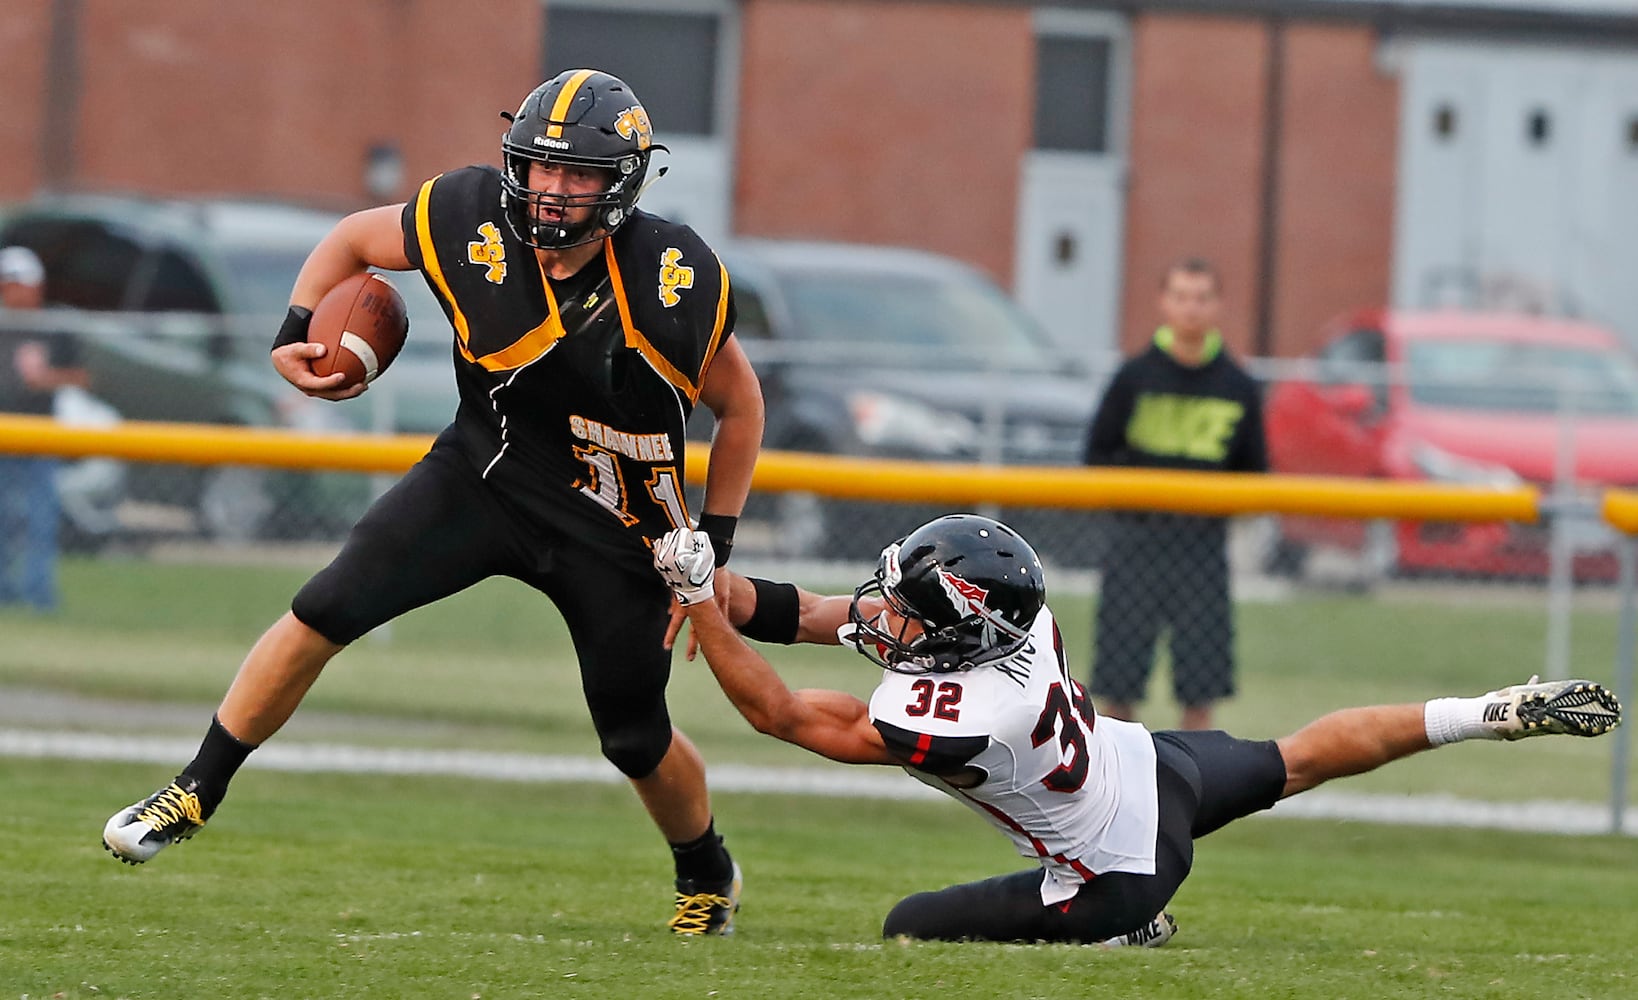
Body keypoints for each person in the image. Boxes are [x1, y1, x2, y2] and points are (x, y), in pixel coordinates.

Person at [102, 69, 766, 936]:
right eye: (540, 168)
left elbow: (741, 405)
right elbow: (351, 240)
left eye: (579, 175)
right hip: (485, 472)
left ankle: (706, 869)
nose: (553, 191)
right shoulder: (467, 216)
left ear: (624, 183)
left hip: (617, 518)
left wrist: (713, 541)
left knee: (633, 735)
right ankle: (194, 789)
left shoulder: (673, 278)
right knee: (325, 607)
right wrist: (295, 331)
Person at [652, 513, 1621, 945]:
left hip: (1113, 876)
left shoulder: (957, 713)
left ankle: (1133, 933)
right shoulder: (1013, 623)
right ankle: (1490, 711)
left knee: (909, 926)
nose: (884, 615)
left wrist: (699, 602)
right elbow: (814, 612)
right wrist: (704, 577)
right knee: (1306, 754)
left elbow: (778, 712)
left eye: (908, 608)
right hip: (1153, 768)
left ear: (956, 626)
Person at [1084, 257, 1267, 730]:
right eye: (1181, 297)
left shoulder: (1237, 385)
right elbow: (1097, 455)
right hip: (1135, 542)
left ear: (1218, 306)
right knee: (1119, 682)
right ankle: (1115, 780)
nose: (1191, 309)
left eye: (1202, 297)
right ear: (1163, 303)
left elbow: (1255, 472)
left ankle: (1196, 781)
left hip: (1201, 547)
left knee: (1200, 683)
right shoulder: (1134, 377)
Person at [0, 246, 89, 612]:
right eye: (7, 283)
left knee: (40, 522)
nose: (13, 290)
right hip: (4, 437)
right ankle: (5, 594)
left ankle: (39, 596)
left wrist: (44, 378)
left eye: (18, 283)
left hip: (41, 437)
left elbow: (83, 376)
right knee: (3, 523)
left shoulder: (54, 326)